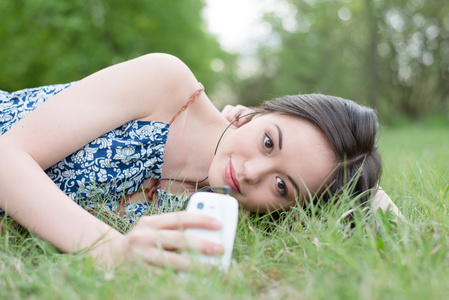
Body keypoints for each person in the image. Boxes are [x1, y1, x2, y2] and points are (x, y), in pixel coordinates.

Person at [0, 53, 399, 269]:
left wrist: (365, 185)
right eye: (267, 142)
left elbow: (374, 221)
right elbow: (6, 157)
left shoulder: (219, 215)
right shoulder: (167, 84)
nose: (249, 173)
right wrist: (111, 250)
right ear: (260, 111)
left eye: (282, 186)